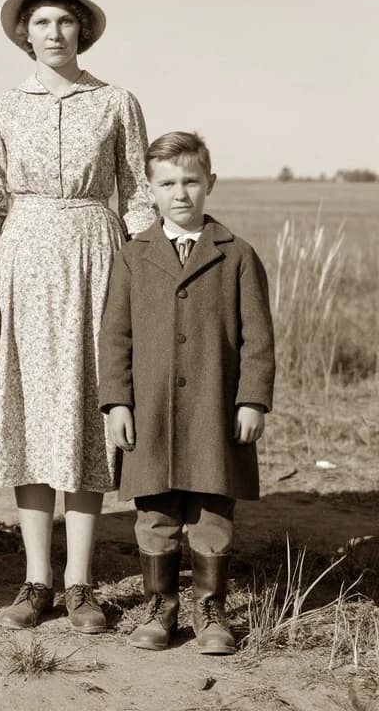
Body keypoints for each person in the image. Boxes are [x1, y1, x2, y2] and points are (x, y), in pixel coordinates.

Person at [0, 0, 157, 633]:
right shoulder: (3, 108)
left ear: (83, 29)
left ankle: (79, 583)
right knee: (30, 414)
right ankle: (36, 578)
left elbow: (137, 197)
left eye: (65, 21)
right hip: (21, 265)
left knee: (85, 411)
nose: (53, 33)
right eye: (41, 22)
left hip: (97, 260)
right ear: (25, 33)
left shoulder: (116, 102)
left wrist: (144, 281)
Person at [99, 131, 275, 654]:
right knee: (155, 511)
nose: (180, 193)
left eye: (191, 181)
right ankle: (161, 607)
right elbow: (115, 336)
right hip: (150, 410)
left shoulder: (237, 255)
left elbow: (258, 337)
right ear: (150, 190)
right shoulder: (133, 256)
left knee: (212, 510)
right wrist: (117, 401)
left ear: (210, 183)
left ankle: (210, 609)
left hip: (214, 409)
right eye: (168, 183)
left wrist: (252, 399)